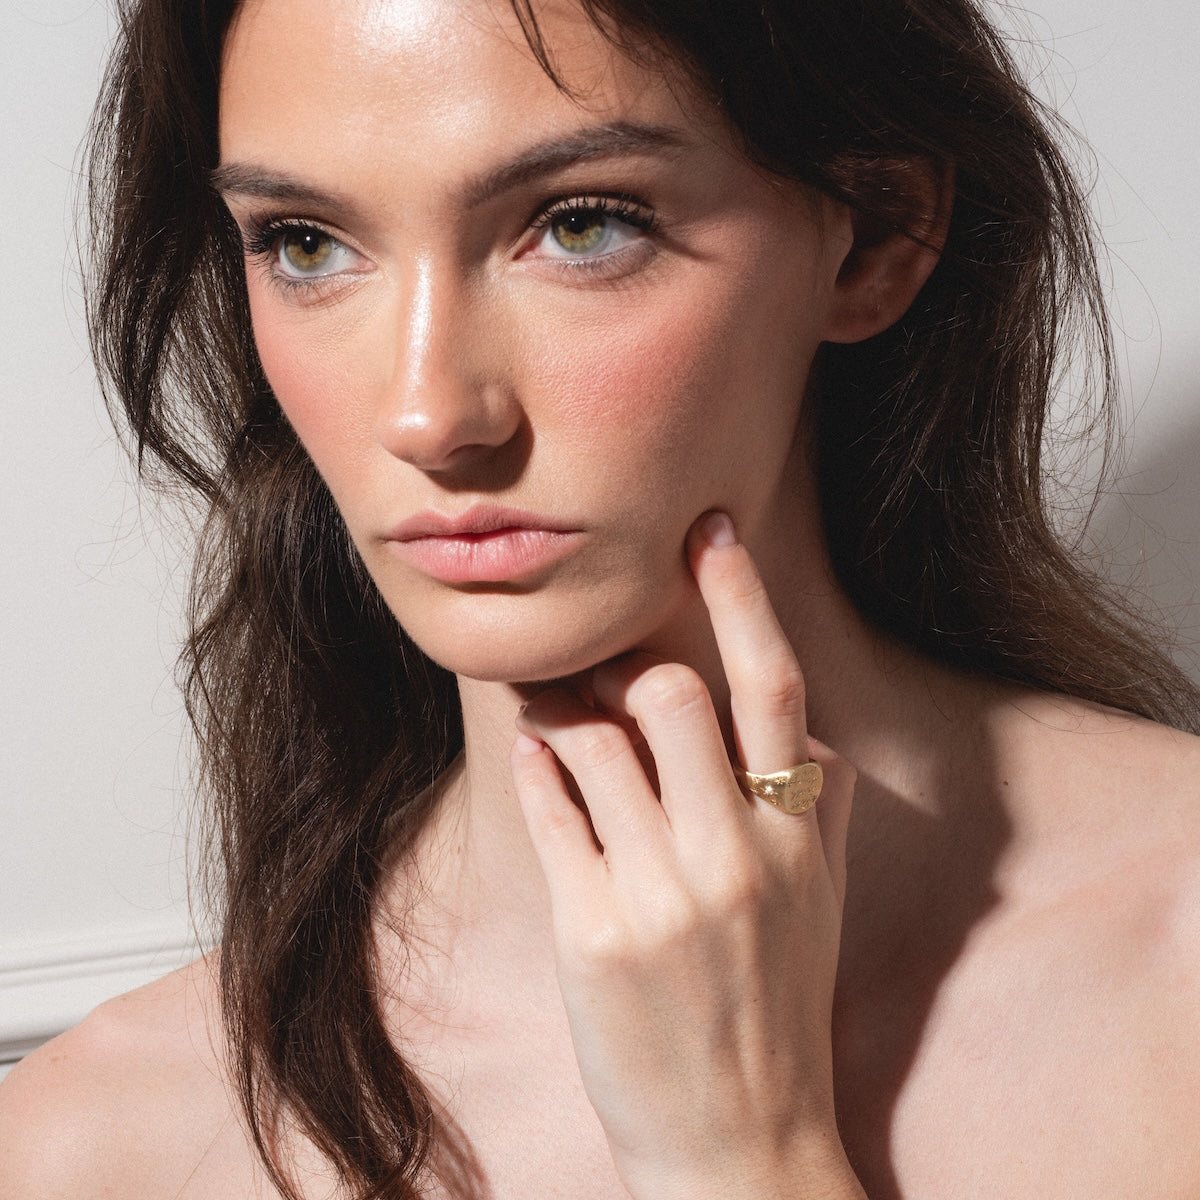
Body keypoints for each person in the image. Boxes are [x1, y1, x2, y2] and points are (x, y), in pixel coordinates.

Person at [2, 0, 1199, 1196]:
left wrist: (741, 1154)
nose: (428, 413)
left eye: (581, 225)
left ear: (877, 235)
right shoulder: (96, 1146)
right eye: (306, 244)